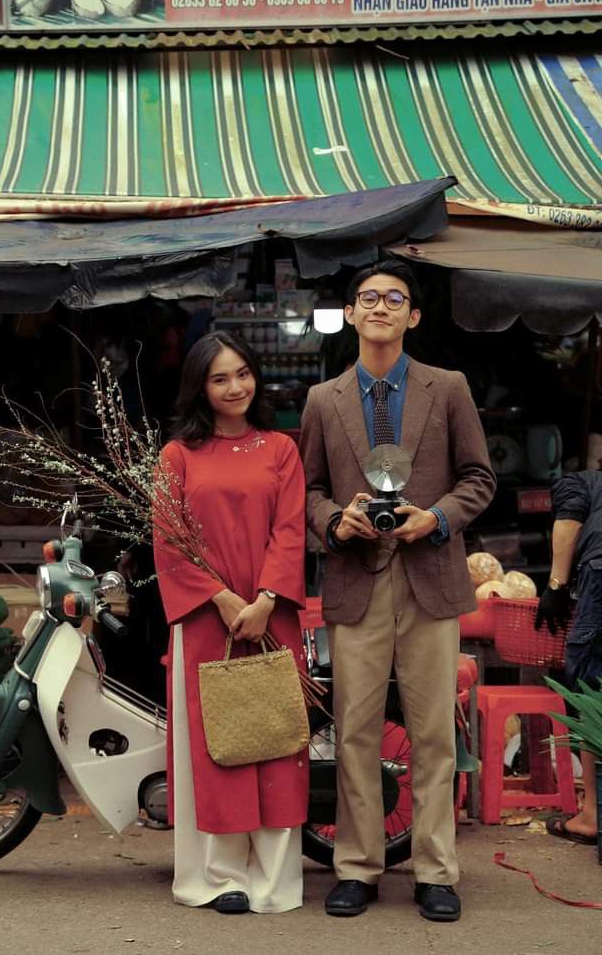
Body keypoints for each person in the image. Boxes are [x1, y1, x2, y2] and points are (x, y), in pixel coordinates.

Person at [299, 260, 495, 923]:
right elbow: (308, 491)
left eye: (394, 298)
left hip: (429, 577)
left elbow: (478, 477)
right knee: (353, 731)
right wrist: (334, 519)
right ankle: (356, 866)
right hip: (357, 577)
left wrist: (435, 518)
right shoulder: (324, 400)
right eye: (367, 297)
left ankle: (435, 870)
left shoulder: (448, 388)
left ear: (412, 316)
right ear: (351, 313)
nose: (380, 306)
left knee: (434, 732)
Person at [152, 331, 309, 915]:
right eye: (220, 378)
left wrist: (265, 599)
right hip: (205, 621)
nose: (235, 386)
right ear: (201, 387)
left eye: (243, 373)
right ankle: (218, 878)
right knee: (217, 745)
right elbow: (168, 542)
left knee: (275, 739)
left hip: (273, 615)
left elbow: (291, 529)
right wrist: (221, 599)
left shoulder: (280, 449)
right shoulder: (176, 457)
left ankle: (274, 880)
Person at [535, 469, 602, 847]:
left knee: (592, 696)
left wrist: (556, 584)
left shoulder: (575, 481)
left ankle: (591, 815)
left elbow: (569, 518)